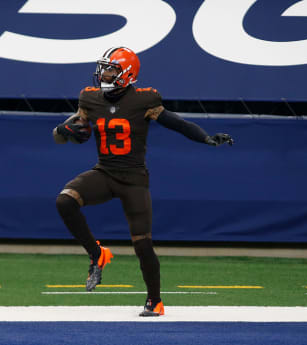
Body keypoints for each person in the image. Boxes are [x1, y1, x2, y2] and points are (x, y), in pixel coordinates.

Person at [53, 47, 234, 317]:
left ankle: (155, 301)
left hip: (134, 179)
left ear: (127, 73)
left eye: (111, 69)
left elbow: (176, 123)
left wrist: (205, 138)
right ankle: (97, 253)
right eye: (104, 68)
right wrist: (61, 130)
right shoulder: (89, 98)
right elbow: (60, 135)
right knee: (65, 201)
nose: (104, 73)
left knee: (142, 244)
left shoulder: (144, 99)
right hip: (104, 172)